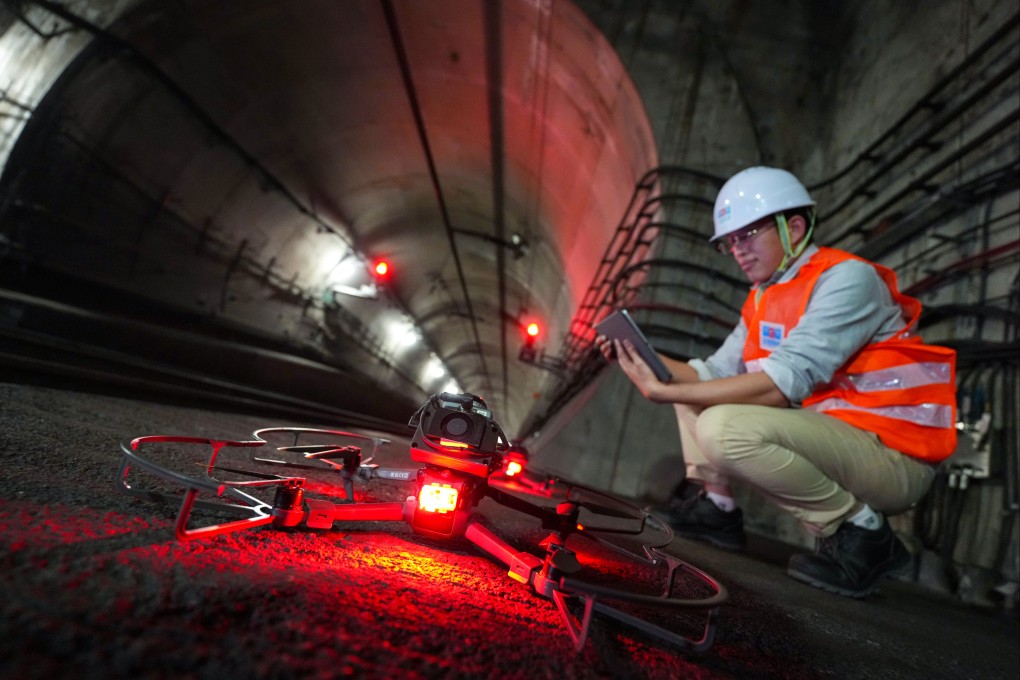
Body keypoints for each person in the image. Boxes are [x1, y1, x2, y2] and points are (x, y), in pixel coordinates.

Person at [596, 166, 957, 598]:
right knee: (697, 393)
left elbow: (778, 387)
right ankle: (718, 509)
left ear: (796, 227)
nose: (738, 251)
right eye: (731, 242)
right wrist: (642, 359)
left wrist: (669, 389)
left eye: (748, 235)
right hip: (845, 436)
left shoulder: (845, 280)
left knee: (721, 426)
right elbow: (711, 373)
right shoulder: (765, 296)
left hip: (895, 455)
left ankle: (862, 530)